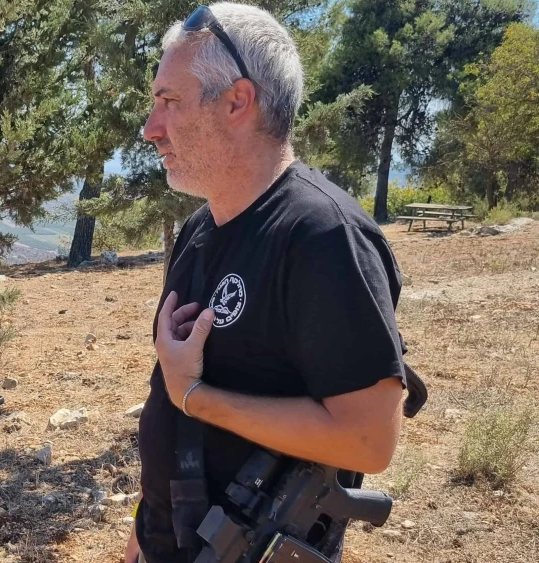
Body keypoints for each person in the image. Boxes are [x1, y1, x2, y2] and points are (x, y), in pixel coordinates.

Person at [124, 4, 408, 563]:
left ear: (237, 101)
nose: (150, 127)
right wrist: (144, 527)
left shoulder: (325, 236)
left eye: (169, 101)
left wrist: (196, 397)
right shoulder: (202, 227)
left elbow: (369, 441)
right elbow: (171, 405)